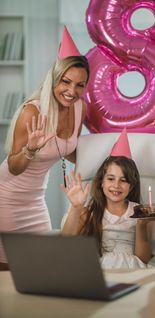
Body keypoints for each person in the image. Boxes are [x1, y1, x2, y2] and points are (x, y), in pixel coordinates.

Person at [0, 26, 90, 270]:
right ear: (54, 79)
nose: (72, 91)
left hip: (35, 200)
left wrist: (101, 162)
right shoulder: (33, 111)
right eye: (66, 82)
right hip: (7, 196)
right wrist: (30, 149)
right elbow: (14, 166)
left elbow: (67, 150)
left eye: (80, 85)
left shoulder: (79, 108)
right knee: (9, 273)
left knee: (40, 266)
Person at [61, 129, 155, 269]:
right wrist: (76, 207)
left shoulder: (142, 212)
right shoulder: (89, 212)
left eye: (123, 180)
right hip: (100, 269)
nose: (116, 185)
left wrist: (141, 224)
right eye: (111, 179)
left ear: (131, 186)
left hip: (134, 270)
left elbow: (143, 259)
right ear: (102, 182)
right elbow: (66, 244)